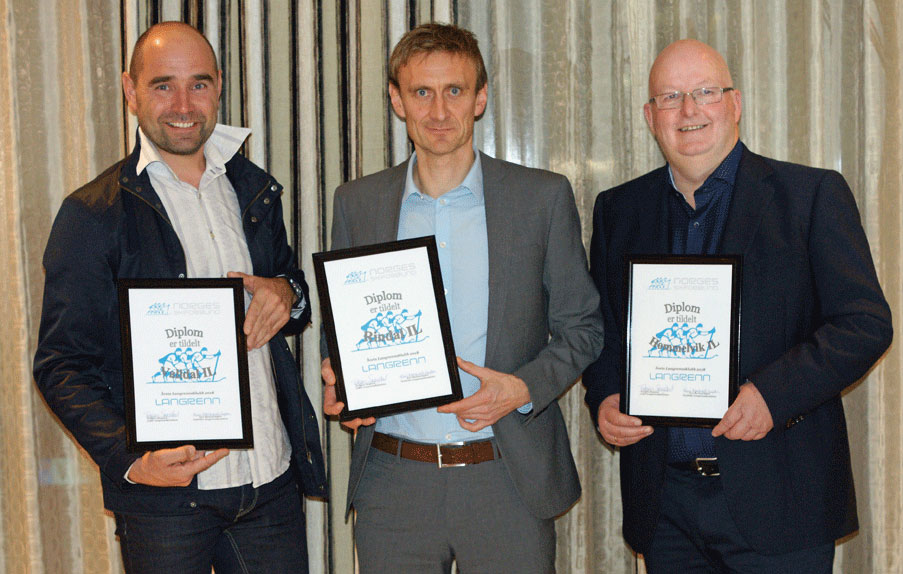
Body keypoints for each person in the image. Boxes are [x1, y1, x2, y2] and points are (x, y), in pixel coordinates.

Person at [583, 39, 893, 573]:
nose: (689, 110)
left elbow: (864, 324)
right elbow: (605, 330)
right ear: (650, 117)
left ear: (735, 103)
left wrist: (773, 394)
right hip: (666, 507)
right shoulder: (619, 210)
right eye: (670, 97)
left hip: (781, 501)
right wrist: (607, 396)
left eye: (706, 92)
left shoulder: (810, 195)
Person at [33, 22, 325, 574]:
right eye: (163, 85)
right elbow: (61, 364)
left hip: (270, 484)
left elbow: (292, 292)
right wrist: (129, 459)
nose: (184, 105)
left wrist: (287, 293)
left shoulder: (254, 189)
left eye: (199, 84)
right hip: (165, 501)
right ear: (131, 91)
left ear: (219, 86)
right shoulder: (92, 214)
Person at [322, 23, 603, 573]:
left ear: (480, 98)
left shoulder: (541, 198)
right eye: (421, 92)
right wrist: (344, 381)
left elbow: (584, 328)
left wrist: (522, 388)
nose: (439, 111)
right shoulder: (357, 203)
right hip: (393, 483)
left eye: (454, 90)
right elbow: (343, 330)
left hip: (506, 476)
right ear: (397, 100)